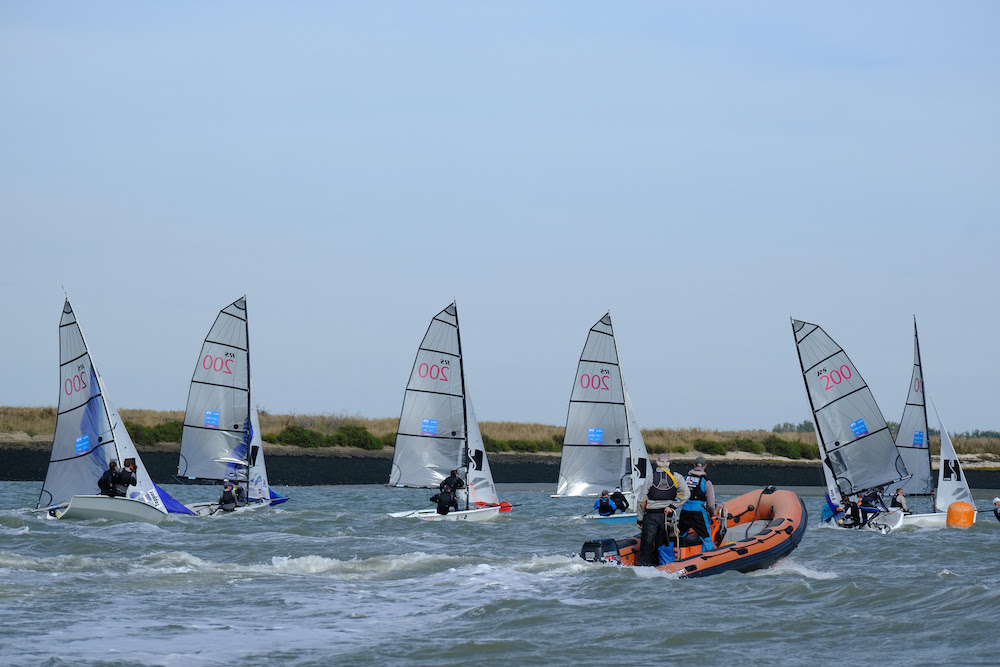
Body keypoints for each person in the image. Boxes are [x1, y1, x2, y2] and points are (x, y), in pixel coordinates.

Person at [635, 452, 690, 566]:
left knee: (647, 542)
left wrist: (639, 519)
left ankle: (644, 565)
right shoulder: (677, 477)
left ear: (656, 463)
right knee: (663, 542)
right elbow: (686, 494)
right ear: (669, 463)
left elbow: (641, 500)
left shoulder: (651, 477)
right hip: (667, 515)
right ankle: (662, 565)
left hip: (651, 515)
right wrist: (673, 506)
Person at [679, 456, 717, 552]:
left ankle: (679, 555)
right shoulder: (706, 481)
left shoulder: (685, 478)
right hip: (698, 512)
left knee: (681, 535)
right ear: (705, 466)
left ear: (694, 465)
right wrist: (712, 513)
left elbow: (679, 495)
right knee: (706, 537)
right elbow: (711, 503)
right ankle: (708, 556)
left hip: (684, 511)